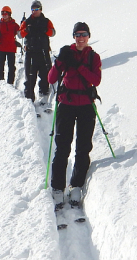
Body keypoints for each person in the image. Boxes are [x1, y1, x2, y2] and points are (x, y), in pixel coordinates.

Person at [48, 22, 102, 207]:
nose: (80, 38)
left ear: (88, 36)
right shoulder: (66, 54)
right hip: (66, 105)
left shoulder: (94, 57)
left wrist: (79, 67)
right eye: (77, 35)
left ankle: (76, 185)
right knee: (62, 147)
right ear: (73, 37)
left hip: (86, 106)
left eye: (84, 34)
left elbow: (96, 80)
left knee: (83, 147)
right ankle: (57, 187)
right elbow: (51, 78)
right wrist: (59, 61)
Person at [20, 0, 55, 102]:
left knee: (45, 75)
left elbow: (53, 32)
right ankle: (29, 98)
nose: (34, 11)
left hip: (44, 52)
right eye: (33, 9)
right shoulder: (27, 22)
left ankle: (44, 95)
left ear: (40, 9)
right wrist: (26, 30)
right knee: (30, 76)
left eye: (36, 9)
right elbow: (19, 35)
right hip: (30, 53)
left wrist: (45, 30)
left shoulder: (46, 21)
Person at [0, 6, 20, 85]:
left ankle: (10, 82)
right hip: (2, 48)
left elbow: (20, 32)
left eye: (6, 13)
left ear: (9, 14)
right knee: (1, 65)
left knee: (11, 67)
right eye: (2, 13)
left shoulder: (14, 25)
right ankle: (0, 80)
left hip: (11, 48)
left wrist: (23, 24)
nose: (4, 15)